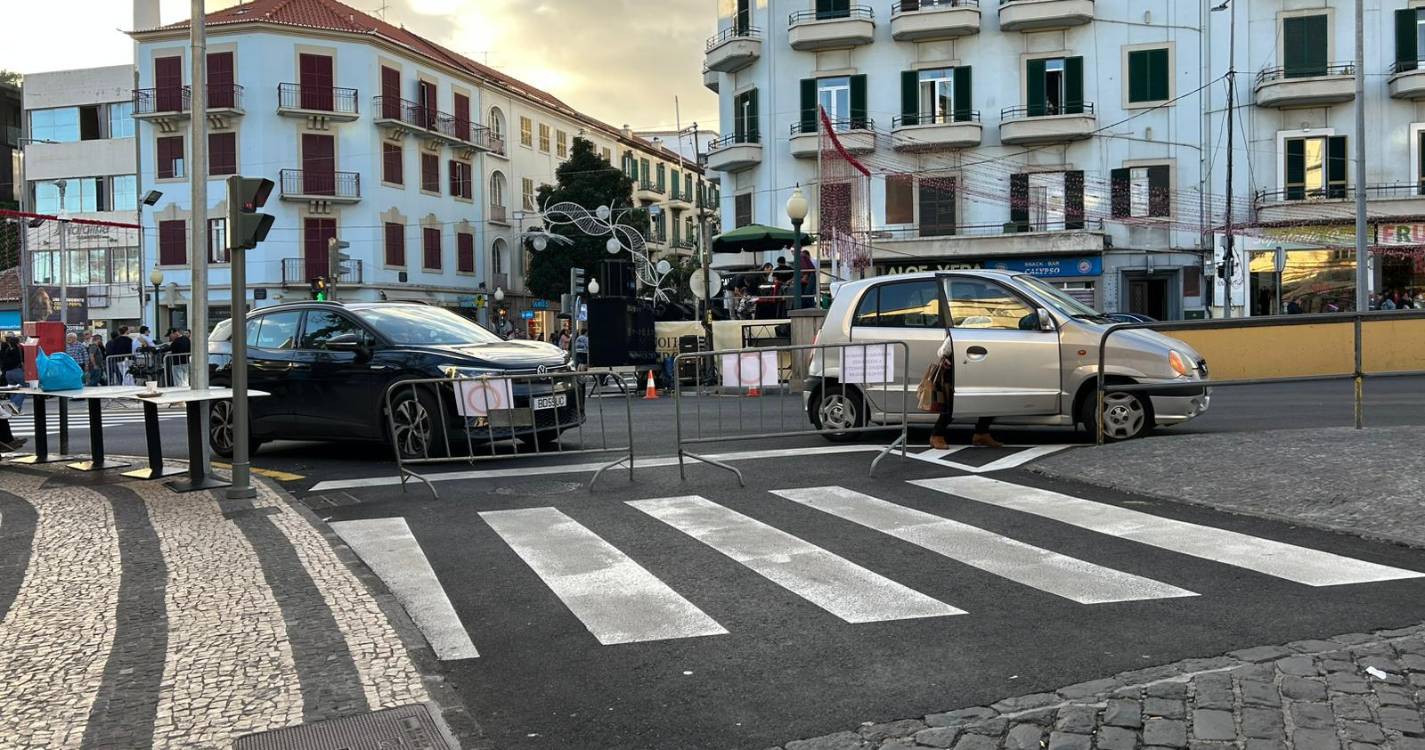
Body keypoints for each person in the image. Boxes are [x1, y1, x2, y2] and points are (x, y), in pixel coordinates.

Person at [929, 333, 1002, 450]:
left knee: (990, 399)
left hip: (985, 368)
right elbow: (943, 351)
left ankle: (982, 433)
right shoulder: (966, 329)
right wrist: (945, 357)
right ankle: (937, 434)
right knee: (955, 403)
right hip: (961, 368)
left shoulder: (994, 329)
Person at [1, 336, 25, 409]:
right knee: (24, 389)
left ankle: (16, 409)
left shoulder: (7, 350)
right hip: (16, 371)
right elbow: (22, 359)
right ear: (17, 342)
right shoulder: (17, 349)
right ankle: (14, 404)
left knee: (13, 390)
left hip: (8, 373)